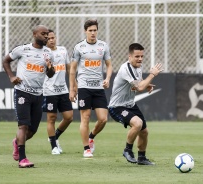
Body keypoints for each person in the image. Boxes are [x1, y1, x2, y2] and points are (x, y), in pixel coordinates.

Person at [2, 25, 55, 168]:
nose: (46, 36)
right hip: (22, 92)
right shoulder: (23, 49)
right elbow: (6, 60)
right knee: (23, 125)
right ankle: (22, 159)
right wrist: (12, 76)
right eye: (43, 34)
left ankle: (16, 142)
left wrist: (50, 68)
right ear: (34, 34)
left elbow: (50, 74)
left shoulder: (48, 53)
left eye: (47, 34)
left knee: (32, 130)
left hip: (38, 94)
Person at [108, 43, 163, 165]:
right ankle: (127, 150)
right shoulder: (126, 68)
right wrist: (152, 75)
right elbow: (139, 87)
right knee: (137, 123)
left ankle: (142, 158)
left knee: (144, 131)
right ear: (130, 56)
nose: (140, 59)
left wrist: (146, 83)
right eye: (137, 56)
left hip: (130, 104)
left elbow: (138, 83)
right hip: (117, 107)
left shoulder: (138, 67)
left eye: (142, 56)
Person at [69, 19, 113, 158]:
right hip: (84, 87)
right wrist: (72, 88)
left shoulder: (103, 46)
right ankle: (86, 148)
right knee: (85, 117)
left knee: (103, 119)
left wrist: (107, 79)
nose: (93, 33)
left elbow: (109, 65)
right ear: (85, 31)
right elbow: (72, 70)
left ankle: (91, 136)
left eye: (95, 30)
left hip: (98, 88)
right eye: (90, 30)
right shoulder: (79, 47)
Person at [43, 29, 74, 155]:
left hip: (63, 89)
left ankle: (55, 136)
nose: (51, 40)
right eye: (48, 38)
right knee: (52, 118)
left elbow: (68, 68)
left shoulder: (62, 50)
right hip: (49, 90)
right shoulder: (44, 53)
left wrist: (73, 85)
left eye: (53, 37)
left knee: (69, 117)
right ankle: (53, 146)